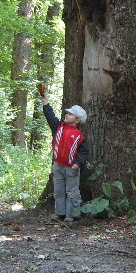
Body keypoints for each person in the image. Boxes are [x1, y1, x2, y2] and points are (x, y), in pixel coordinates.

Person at [38, 91, 89, 222]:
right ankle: (60, 213)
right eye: (67, 113)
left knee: (72, 191)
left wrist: (78, 163)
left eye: (71, 114)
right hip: (58, 165)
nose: (67, 114)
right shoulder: (59, 128)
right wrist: (45, 103)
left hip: (71, 168)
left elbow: (83, 152)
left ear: (77, 120)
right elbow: (50, 116)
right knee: (58, 190)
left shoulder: (79, 136)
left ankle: (72, 214)